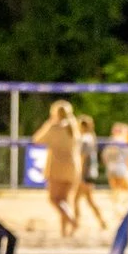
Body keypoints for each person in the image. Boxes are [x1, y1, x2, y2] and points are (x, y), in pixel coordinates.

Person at [33, 100, 81, 235]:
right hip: (72, 167)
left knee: (54, 199)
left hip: (57, 167)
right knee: (65, 200)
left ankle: (72, 221)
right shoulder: (73, 127)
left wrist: (49, 123)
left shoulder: (55, 127)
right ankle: (64, 231)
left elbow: (37, 139)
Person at [71, 114, 109, 230]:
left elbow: (83, 158)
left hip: (85, 173)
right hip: (91, 172)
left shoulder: (84, 139)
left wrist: (79, 175)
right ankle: (102, 221)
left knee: (76, 200)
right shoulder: (91, 137)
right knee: (89, 200)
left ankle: (75, 224)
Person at [102, 121, 128, 206]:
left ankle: (117, 204)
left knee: (115, 188)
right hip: (120, 166)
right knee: (126, 188)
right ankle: (123, 204)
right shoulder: (123, 141)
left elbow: (104, 155)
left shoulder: (111, 141)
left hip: (111, 166)